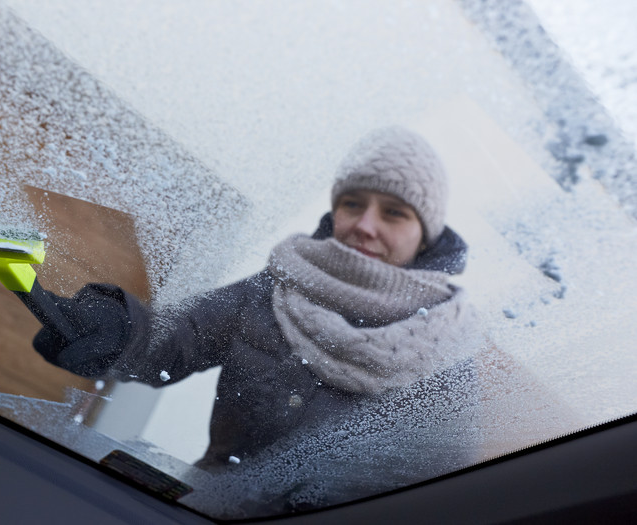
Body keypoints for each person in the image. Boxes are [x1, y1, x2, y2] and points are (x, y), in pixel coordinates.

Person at [33, 126, 482, 470]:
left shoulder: (447, 346)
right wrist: (111, 329)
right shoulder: (277, 286)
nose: (365, 225)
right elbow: (178, 336)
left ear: (426, 238)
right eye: (352, 203)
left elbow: (435, 477)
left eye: (394, 213)